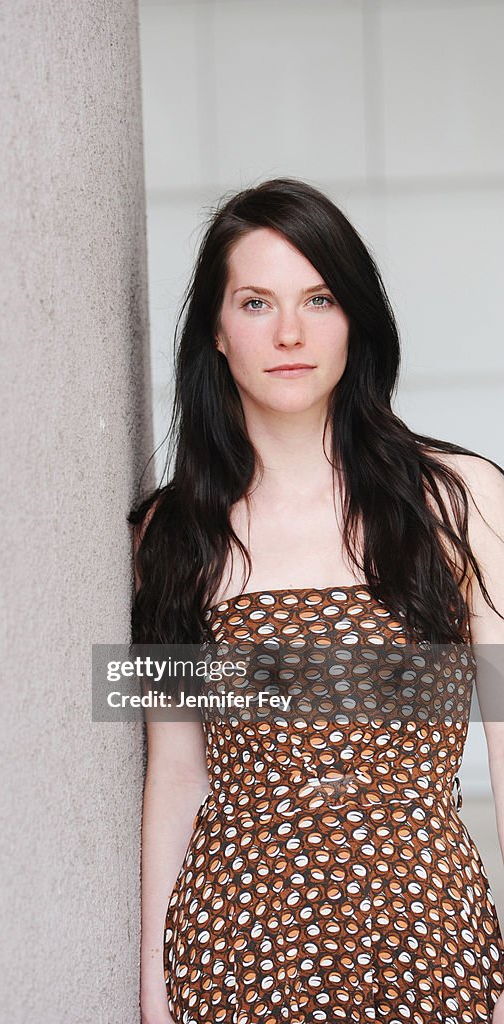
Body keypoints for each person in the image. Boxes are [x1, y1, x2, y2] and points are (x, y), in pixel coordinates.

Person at [130, 177, 504, 1024]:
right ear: (216, 335)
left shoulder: (461, 500)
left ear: (354, 321)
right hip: (232, 952)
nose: (289, 332)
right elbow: (176, 775)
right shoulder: (167, 537)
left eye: (319, 298)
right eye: (256, 302)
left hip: (429, 942)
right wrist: (154, 1001)